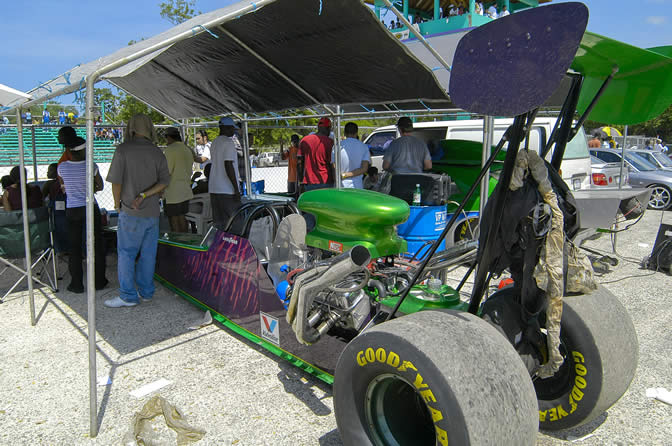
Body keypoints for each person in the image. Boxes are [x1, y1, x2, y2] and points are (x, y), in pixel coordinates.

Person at [105, 114, 170, 308]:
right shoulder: (158, 152)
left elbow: (116, 182)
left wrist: (118, 204)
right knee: (148, 254)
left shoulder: (123, 150)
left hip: (130, 212)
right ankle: (146, 292)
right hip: (152, 212)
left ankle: (128, 296)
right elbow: (165, 182)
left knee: (126, 253)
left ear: (131, 128)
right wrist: (145, 194)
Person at [57, 137, 108, 293]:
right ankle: (99, 281)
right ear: (84, 150)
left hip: (72, 209)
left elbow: (63, 187)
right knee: (96, 245)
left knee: (74, 247)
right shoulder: (91, 165)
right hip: (90, 207)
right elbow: (100, 185)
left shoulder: (62, 167)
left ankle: (76, 284)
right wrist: (90, 188)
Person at [209, 117, 241, 229]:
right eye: (232, 129)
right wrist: (236, 189)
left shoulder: (214, 142)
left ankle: (219, 246)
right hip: (227, 190)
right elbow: (228, 165)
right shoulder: (228, 143)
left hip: (214, 188)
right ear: (226, 128)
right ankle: (232, 246)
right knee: (234, 223)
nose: (233, 132)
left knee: (219, 224)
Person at [163, 127, 194, 233]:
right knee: (182, 217)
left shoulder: (170, 150)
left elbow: (167, 172)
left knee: (174, 220)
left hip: (172, 192)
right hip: (185, 189)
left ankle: (178, 245)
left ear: (168, 137)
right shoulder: (187, 149)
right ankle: (184, 242)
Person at [299, 117, 334, 191]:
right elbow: (332, 164)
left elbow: (299, 163)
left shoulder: (305, 140)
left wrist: (300, 181)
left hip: (309, 181)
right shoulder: (330, 142)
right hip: (326, 181)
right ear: (328, 128)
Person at [332, 122, 371, 189]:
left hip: (340, 185)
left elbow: (334, 167)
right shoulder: (364, 147)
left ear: (344, 133)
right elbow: (364, 168)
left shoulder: (336, 146)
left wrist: (340, 177)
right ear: (356, 133)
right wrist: (346, 175)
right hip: (357, 186)